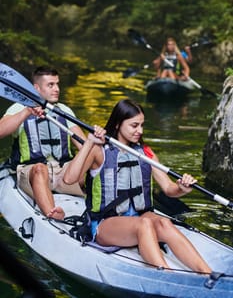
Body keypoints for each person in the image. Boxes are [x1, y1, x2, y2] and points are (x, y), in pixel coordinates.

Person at [63, 99, 211, 273]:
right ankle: (167, 275)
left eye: (141, 125)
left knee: (164, 222)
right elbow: (69, 179)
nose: (140, 131)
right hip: (106, 223)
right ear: (118, 124)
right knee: (144, 224)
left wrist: (182, 188)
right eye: (134, 125)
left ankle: (207, 274)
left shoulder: (145, 152)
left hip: (139, 216)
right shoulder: (99, 150)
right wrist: (89, 142)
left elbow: (169, 189)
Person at [0, 66, 86, 220]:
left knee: (91, 164)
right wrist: (26, 112)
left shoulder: (63, 110)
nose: (57, 89)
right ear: (36, 88)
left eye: (57, 84)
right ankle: (53, 214)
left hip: (62, 173)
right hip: (33, 173)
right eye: (51, 85)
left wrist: (96, 145)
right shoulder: (19, 108)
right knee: (40, 169)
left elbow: (83, 146)